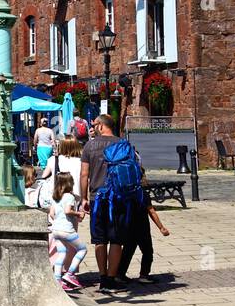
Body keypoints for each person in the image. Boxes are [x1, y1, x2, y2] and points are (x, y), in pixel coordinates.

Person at [80, 113, 129, 293]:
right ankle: (111, 279)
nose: (92, 128)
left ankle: (102, 278)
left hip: (97, 198)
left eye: (94, 125)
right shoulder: (122, 143)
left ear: (101, 126)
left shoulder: (90, 145)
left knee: (100, 240)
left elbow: (84, 174)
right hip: (118, 197)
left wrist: (83, 197)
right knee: (116, 240)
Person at [116, 192, 170, 284]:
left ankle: (120, 275)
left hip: (128, 227)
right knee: (147, 252)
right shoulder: (142, 194)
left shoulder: (123, 193)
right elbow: (151, 211)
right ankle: (144, 275)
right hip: (142, 228)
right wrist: (161, 227)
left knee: (127, 252)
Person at [47, 172, 87, 291]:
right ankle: (70, 274)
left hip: (56, 229)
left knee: (62, 252)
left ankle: (58, 279)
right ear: (69, 183)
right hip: (67, 230)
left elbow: (52, 214)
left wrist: (59, 221)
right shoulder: (69, 196)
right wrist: (78, 214)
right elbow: (67, 211)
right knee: (82, 249)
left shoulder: (55, 197)